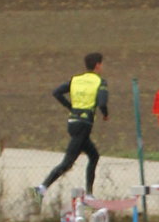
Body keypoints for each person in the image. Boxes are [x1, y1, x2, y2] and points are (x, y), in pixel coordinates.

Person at [42, 52, 109, 193]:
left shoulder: (76, 79)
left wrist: (70, 107)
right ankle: (41, 189)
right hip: (83, 125)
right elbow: (102, 103)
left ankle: (89, 193)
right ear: (97, 65)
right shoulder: (100, 82)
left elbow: (56, 92)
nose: (103, 66)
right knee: (67, 163)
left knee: (94, 156)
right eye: (102, 64)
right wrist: (105, 114)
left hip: (73, 123)